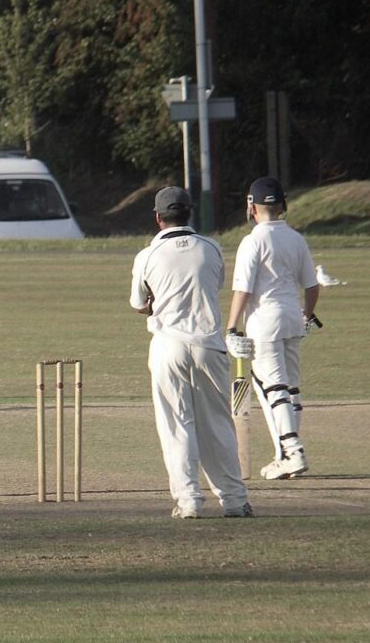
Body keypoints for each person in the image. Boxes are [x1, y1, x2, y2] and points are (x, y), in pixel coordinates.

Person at [130, 186, 252, 518]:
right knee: (217, 423)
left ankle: (189, 501)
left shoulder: (147, 256)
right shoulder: (211, 248)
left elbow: (140, 304)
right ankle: (234, 500)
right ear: (189, 213)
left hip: (167, 345)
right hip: (209, 344)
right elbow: (213, 286)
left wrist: (159, 301)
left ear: (157, 218)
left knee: (176, 423)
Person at [225, 176, 319, 480]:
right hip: (293, 317)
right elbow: (312, 286)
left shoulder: (253, 240)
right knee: (290, 388)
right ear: (283, 205)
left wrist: (230, 328)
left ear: (251, 206)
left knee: (274, 387)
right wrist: (307, 315)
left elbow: (243, 290)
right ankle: (284, 456)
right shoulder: (296, 238)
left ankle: (293, 452)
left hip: (265, 321)